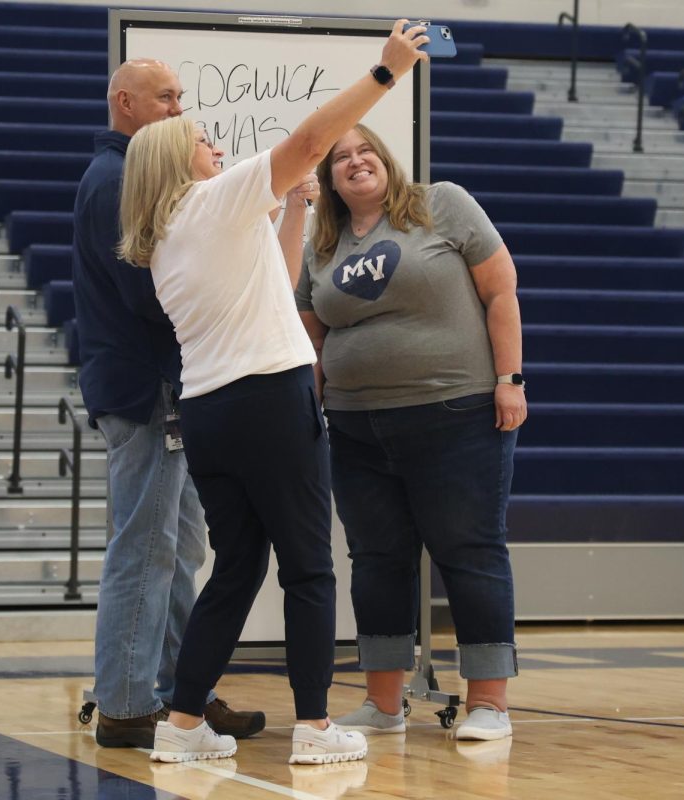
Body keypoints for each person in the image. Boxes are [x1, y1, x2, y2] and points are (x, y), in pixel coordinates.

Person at [115, 20, 430, 764]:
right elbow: (312, 141)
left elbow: (279, 283)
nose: (215, 147)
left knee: (238, 568)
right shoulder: (214, 200)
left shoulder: (169, 236)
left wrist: (292, 210)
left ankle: (184, 723)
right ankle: (317, 729)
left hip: (211, 412)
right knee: (310, 565)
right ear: (179, 161)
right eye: (201, 140)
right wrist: (385, 74)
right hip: (267, 397)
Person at [293, 123, 526, 742]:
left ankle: (490, 705)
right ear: (329, 179)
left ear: (386, 160)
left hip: (457, 414)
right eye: (340, 158)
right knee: (375, 561)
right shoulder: (322, 244)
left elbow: (501, 291)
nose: (354, 161)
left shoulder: (440, 204)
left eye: (365, 149)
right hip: (355, 427)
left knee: (469, 551)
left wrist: (511, 378)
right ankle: (384, 705)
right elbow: (312, 336)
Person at [71, 58, 264, 749]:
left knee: (178, 546)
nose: (178, 108)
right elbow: (147, 297)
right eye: (165, 97)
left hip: (159, 387)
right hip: (145, 389)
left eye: (182, 97)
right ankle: (126, 704)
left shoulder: (126, 176)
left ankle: (186, 692)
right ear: (124, 103)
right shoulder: (119, 178)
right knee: (149, 546)